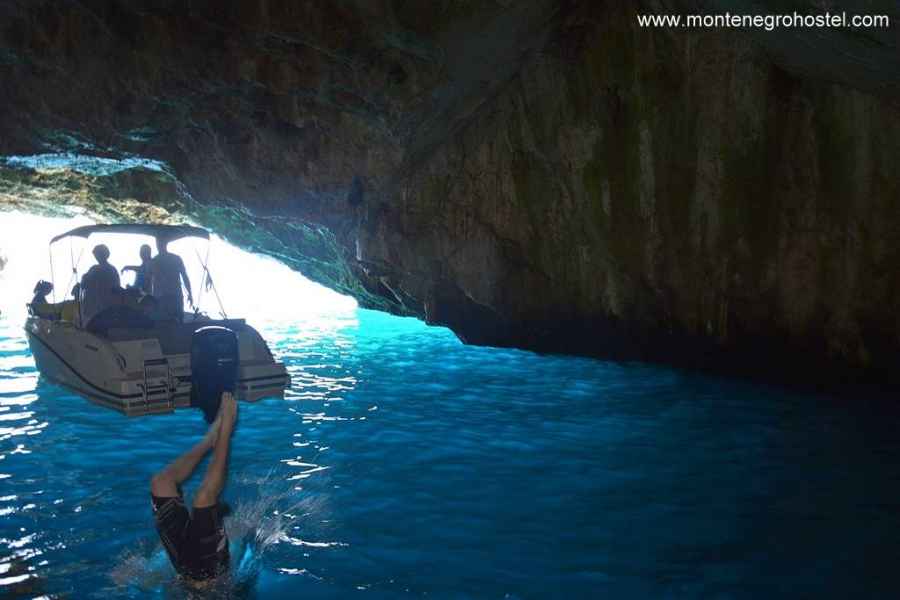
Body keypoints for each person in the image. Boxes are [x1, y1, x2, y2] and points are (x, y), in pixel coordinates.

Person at [150, 392, 237, 585]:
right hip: (208, 573)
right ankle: (226, 429)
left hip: (183, 565)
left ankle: (209, 440)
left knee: (161, 482)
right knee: (204, 498)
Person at [149, 237, 192, 321]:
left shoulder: (154, 261)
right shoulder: (175, 258)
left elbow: (150, 280)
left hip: (164, 297)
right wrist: (190, 293)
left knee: (164, 323)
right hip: (173, 295)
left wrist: (190, 293)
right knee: (178, 322)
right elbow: (184, 276)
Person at [80, 244, 120, 328]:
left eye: (96, 253)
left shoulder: (95, 269)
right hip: (108, 309)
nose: (95, 256)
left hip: (96, 309)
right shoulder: (113, 269)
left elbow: (84, 283)